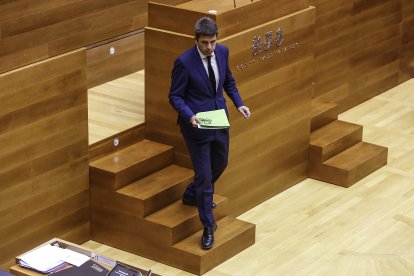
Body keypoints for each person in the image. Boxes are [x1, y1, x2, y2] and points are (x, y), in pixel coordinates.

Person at [168, 17, 251, 250]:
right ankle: (207, 226)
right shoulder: (184, 62)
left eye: (213, 42)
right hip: (196, 126)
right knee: (204, 177)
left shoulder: (223, 52)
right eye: (205, 43)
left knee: (221, 163)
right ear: (196, 40)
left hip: (218, 121)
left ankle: (191, 194)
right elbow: (174, 96)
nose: (210, 48)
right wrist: (189, 115)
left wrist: (238, 104)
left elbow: (229, 82)